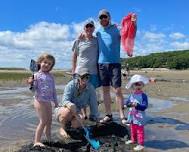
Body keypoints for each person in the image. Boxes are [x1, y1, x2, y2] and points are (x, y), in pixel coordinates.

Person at [96, 9, 126, 124]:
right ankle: (108, 114)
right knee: (105, 90)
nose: (103, 19)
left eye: (105, 17)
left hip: (115, 63)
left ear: (109, 17)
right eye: (101, 17)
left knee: (118, 90)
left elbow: (129, 33)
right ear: (99, 19)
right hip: (102, 64)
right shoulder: (98, 32)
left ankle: (122, 115)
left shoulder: (117, 28)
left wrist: (133, 23)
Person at [54, 68, 99, 139]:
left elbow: (94, 104)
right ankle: (62, 128)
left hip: (77, 111)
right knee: (67, 112)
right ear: (78, 77)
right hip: (64, 109)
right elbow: (64, 101)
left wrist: (95, 118)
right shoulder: (71, 85)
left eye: (87, 77)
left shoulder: (91, 88)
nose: (85, 79)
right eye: (83, 77)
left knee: (78, 122)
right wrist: (71, 105)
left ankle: (69, 127)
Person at [27, 53, 58, 147]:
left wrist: (56, 101)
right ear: (40, 62)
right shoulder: (36, 75)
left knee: (49, 121)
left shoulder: (51, 76)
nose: (47, 65)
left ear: (51, 66)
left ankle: (49, 138)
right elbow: (33, 90)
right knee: (43, 121)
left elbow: (53, 90)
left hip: (48, 101)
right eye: (45, 62)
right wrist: (31, 83)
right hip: (39, 101)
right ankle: (37, 141)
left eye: (49, 64)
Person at [72, 20, 100, 119]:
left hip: (93, 71)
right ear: (84, 28)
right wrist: (73, 70)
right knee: (80, 92)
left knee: (92, 93)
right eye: (87, 27)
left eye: (91, 27)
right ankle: (84, 114)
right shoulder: (78, 40)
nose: (89, 28)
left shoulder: (97, 40)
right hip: (80, 71)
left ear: (93, 28)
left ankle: (94, 114)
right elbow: (74, 56)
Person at [125, 74, 149, 151]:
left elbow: (145, 106)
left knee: (139, 130)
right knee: (132, 129)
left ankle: (141, 144)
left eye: (140, 84)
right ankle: (133, 140)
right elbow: (127, 103)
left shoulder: (143, 96)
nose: (138, 86)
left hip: (139, 116)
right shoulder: (131, 95)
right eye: (136, 84)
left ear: (142, 85)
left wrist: (137, 105)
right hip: (132, 116)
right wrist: (128, 105)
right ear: (132, 86)